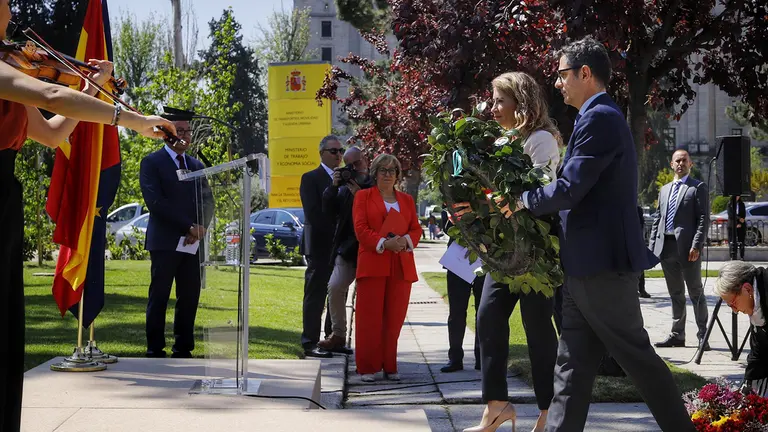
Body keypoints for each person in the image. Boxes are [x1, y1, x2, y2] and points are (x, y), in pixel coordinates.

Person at [0, 3, 175, 428]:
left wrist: (94, 88)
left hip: (4, 196)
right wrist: (132, 119)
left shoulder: (11, 70)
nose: (9, 8)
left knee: (5, 332)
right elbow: (52, 94)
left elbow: (53, 130)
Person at [507, 37, 695, 431]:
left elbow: (572, 187)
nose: (557, 83)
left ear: (585, 73)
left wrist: (523, 199)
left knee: (637, 359)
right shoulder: (595, 116)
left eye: (561, 75)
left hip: (602, 268)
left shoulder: (600, 118)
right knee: (571, 367)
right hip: (584, 266)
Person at [457, 71, 561, 432]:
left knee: (537, 329)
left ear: (522, 103)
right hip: (503, 250)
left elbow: (542, 195)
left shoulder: (542, 140)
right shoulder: (502, 141)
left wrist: (506, 201)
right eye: (493, 99)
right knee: (487, 316)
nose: (493, 107)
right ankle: (497, 406)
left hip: (535, 251)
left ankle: (549, 412)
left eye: (500, 100)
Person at [140, 120, 213, 359]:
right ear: (165, 135)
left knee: (189, 296)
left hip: (192, 243)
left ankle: (183, 348)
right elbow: (156, 203)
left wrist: (200, 228)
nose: (185, 136)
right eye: (179, 131)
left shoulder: (196, 165)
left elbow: (208, 201)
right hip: (165, 242)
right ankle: (155, 348)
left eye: (187, 131)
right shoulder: (152, 163)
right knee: (159, 296)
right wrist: (188, 226)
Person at [353, 154, 422, 382]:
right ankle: (367, 367)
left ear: (398, 175)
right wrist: (384, 243)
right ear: (375, 172)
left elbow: (415, 228)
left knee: (394, 318)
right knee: (369, 318)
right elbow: (361, 229)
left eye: (392, 170)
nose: (387, 174)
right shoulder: (363, 197)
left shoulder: (407, 200)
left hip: (400, 263)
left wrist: (405, 241)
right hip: (374, 260)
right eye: (383, 169)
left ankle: (390, 365)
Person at [649, 149, 710, 351]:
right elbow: (658, 218)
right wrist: (652, 247)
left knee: (696, 293)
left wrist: (696, 245)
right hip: (666, 248)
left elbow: (703, 218)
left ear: (690, 164)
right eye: (677, 161)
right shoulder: (665, 190)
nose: (681, 163)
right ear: (671, 164)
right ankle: (677, 335)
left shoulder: (697, 188)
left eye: (685, 160)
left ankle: (703, 336)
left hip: (687, 249)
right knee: (675, 293)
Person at [317, 146, 373, 353]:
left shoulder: (376, 182)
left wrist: (362, 196)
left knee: (369, 297)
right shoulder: (341, 187)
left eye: (356, 163)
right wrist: (333, 186)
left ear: (365, 160)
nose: (353, 169)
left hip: (371, 248)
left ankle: (370, 340)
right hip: (347, 246)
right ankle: (338, 334)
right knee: (335, 286)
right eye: (348, 165)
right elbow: (328, 212)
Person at [299, 135, 343, 358]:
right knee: (315, 293)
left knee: (335, 293)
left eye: (340, 151)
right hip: (319, 245)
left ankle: (331, 339)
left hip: (341, 247)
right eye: (333, 151)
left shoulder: (345, 179)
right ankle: (310, 341)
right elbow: (313, 214)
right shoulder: (311, 178)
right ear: (322, 153)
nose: (338, 155)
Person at [440, 205, 485, 374]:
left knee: (483, 311)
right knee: (457, 311)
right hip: (458, 256)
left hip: (484, 255)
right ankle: (455, 357)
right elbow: (446, 224)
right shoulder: (454, 186)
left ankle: (481, 357)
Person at [714, 261, 768, 397]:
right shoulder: (757, 302)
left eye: (733, 303)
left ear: (747, 289)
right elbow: (758, 352)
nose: (735, 311)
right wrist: (748, 389)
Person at [728, 195, 747, 260]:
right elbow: (731, 214)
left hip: (741, 225)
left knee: (741, 241)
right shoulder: (730, 204)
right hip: (732, 225)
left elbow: (743, 215)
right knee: (731, 241)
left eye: (738, 196)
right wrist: (738, 220)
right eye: (736, 196)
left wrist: (740, 223)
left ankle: (742, 256)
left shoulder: (742, 204)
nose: (737, 197)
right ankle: (731, 256)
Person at [638, 206, 651, 298]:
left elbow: (641, 227)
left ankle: (641, 289)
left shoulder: (637, 210)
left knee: (640, 268)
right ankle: (641, 289)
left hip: (636, 241)